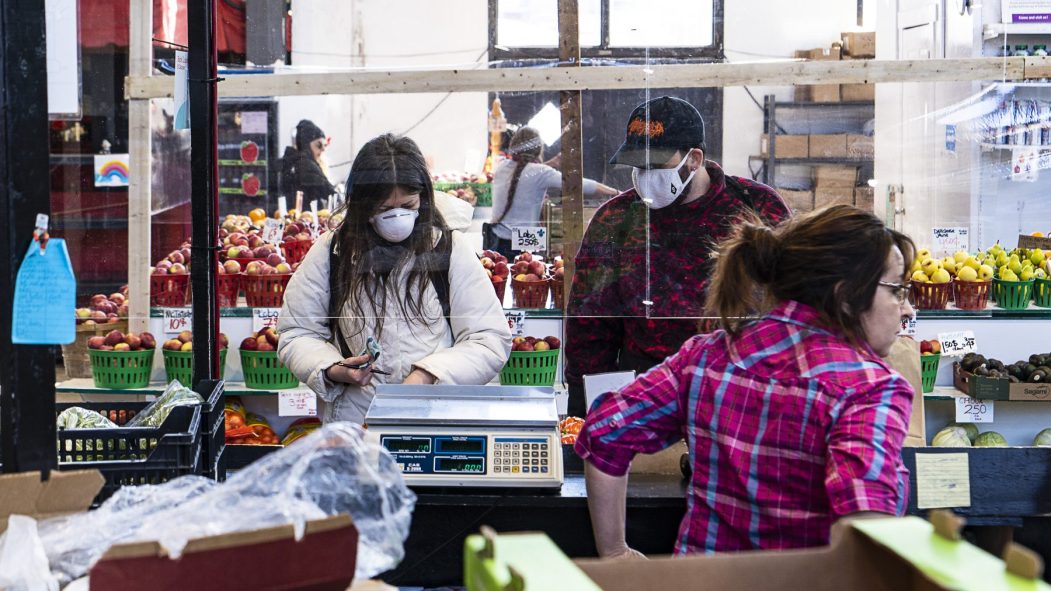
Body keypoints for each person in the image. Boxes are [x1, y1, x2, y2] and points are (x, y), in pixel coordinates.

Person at [576, 205, 917, 557]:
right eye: (898, 290)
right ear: (846, 296)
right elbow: (866, 530)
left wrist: (616, 553)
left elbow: (605, 431)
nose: (907, 309)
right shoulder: (870, 390)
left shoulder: (705, 356)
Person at [564, 96, 790, 418]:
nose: (645, 176)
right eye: (638, 166)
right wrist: (586, 407)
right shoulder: (616, 220)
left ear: (694, 158)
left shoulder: (756, 208)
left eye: (656, 165)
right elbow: (591, 323)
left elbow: (791, 302)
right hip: (646, 392)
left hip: (740, 391)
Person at [277, 133, 512, 424]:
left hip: (433, 420)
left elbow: (489, 339)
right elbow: (297, 333)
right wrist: (333, 369)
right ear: (362, 205)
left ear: (423, 199)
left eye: (409, 206)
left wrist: (427, 374)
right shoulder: (332, 251)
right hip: (356, 426)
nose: (398, 217)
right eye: (385, 209)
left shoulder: (449, 250)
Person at [487, 126, 618, 259]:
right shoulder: (540, 173)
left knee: (516, 275)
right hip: (525, 239)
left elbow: (527, 174)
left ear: (513, 145)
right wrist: (616, 193)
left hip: (497, 240)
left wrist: (552, 163)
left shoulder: (501, 167)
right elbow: (580, 184)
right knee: (533, 274)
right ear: (538, 149)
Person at [280, 119, 337, 203]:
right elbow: (330, 192)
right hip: (308, 214)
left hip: (293, 214)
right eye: (319, 145)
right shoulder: (306, 164)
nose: (323, 150)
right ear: (306, 144)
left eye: (325, 145)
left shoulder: (291, 160)